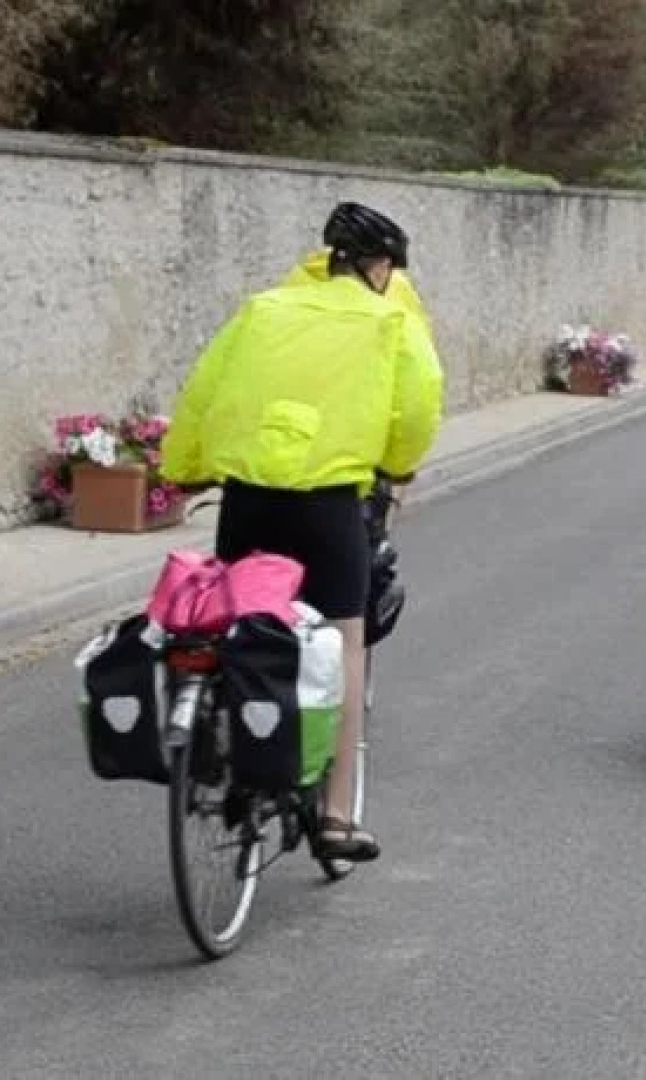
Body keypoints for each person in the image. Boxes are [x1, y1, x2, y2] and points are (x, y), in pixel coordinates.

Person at [159, 202, 444, 863]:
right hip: (328, 504)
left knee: (241, 624)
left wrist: (185, 468)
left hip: (248, 499)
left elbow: (204, 392)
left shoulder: (263, 309)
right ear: (380, 268)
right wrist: (397, 463)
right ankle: (337, 818)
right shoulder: (389, 320)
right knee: (345, 644)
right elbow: (419, 401)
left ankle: (230, 753)